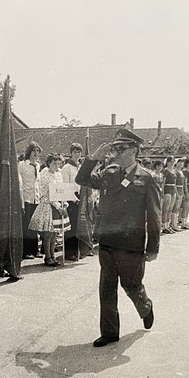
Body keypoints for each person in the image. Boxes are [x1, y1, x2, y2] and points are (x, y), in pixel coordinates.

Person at [76, 128, 162, 347]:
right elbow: (82, 178)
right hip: (107, 240)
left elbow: (154, 216)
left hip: (131, 243)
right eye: (114, 149)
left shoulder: (147, 179)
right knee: (106, 287)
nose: (116, 153)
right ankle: (110, 332)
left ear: (134, 150)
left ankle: (145, 307)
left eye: (121, 149)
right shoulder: (109, 172)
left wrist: (153, 248)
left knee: (132, 286)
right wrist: (94, 157)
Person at [28, 153, 70, 267]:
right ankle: (48, 256)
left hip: (58, 206)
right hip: (48, 205)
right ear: (49, 163)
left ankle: (53, 256)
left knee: (55, 233)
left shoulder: (59, 174)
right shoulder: (44, 175)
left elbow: (62, 190)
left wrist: (64, 204)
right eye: (54, 163)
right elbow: (47, 194)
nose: (56, 166)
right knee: (48, 233)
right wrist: (57, 206)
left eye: (58, 163)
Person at [18, 142, 42, 259]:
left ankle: (34, 249)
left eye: (38, 151)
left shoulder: (37, 165)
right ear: (29, 152)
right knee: (26, 225)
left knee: (34, 225)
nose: (36, 153)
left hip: (36, 198)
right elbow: (20, 184)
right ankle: (25, 251)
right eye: (34, 151)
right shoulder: (22, 165)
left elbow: (38, 183)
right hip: (26, 199)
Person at [60, 143, 83, 261]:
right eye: (75, 152)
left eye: (79, 152)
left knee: (78, 226)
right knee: (71, 227)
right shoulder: (66, 168)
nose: (77, 154)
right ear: (71, 153)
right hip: (71, 198)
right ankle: (69, 253)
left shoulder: (80, 166)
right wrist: (74, 199)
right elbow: (66, 186)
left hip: (80, 197)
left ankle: (76, 251)